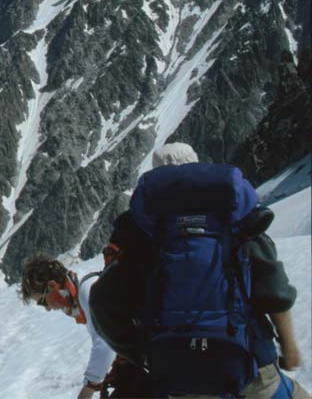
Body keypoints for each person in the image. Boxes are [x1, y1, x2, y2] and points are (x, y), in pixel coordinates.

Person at [89, 142, 309, 399]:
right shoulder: (233, 218)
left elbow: (102, 302)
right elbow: (274, 289)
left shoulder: (146, 234)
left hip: (177, 370)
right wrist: (289, 345)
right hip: (249, 362)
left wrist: (141, 352)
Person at [20, 253, 116, 399]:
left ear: (52, 286)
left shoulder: (87, 291)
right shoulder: (85, 292)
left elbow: (105, 344)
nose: (47, 308)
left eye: (43, 302)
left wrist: (87, 390)